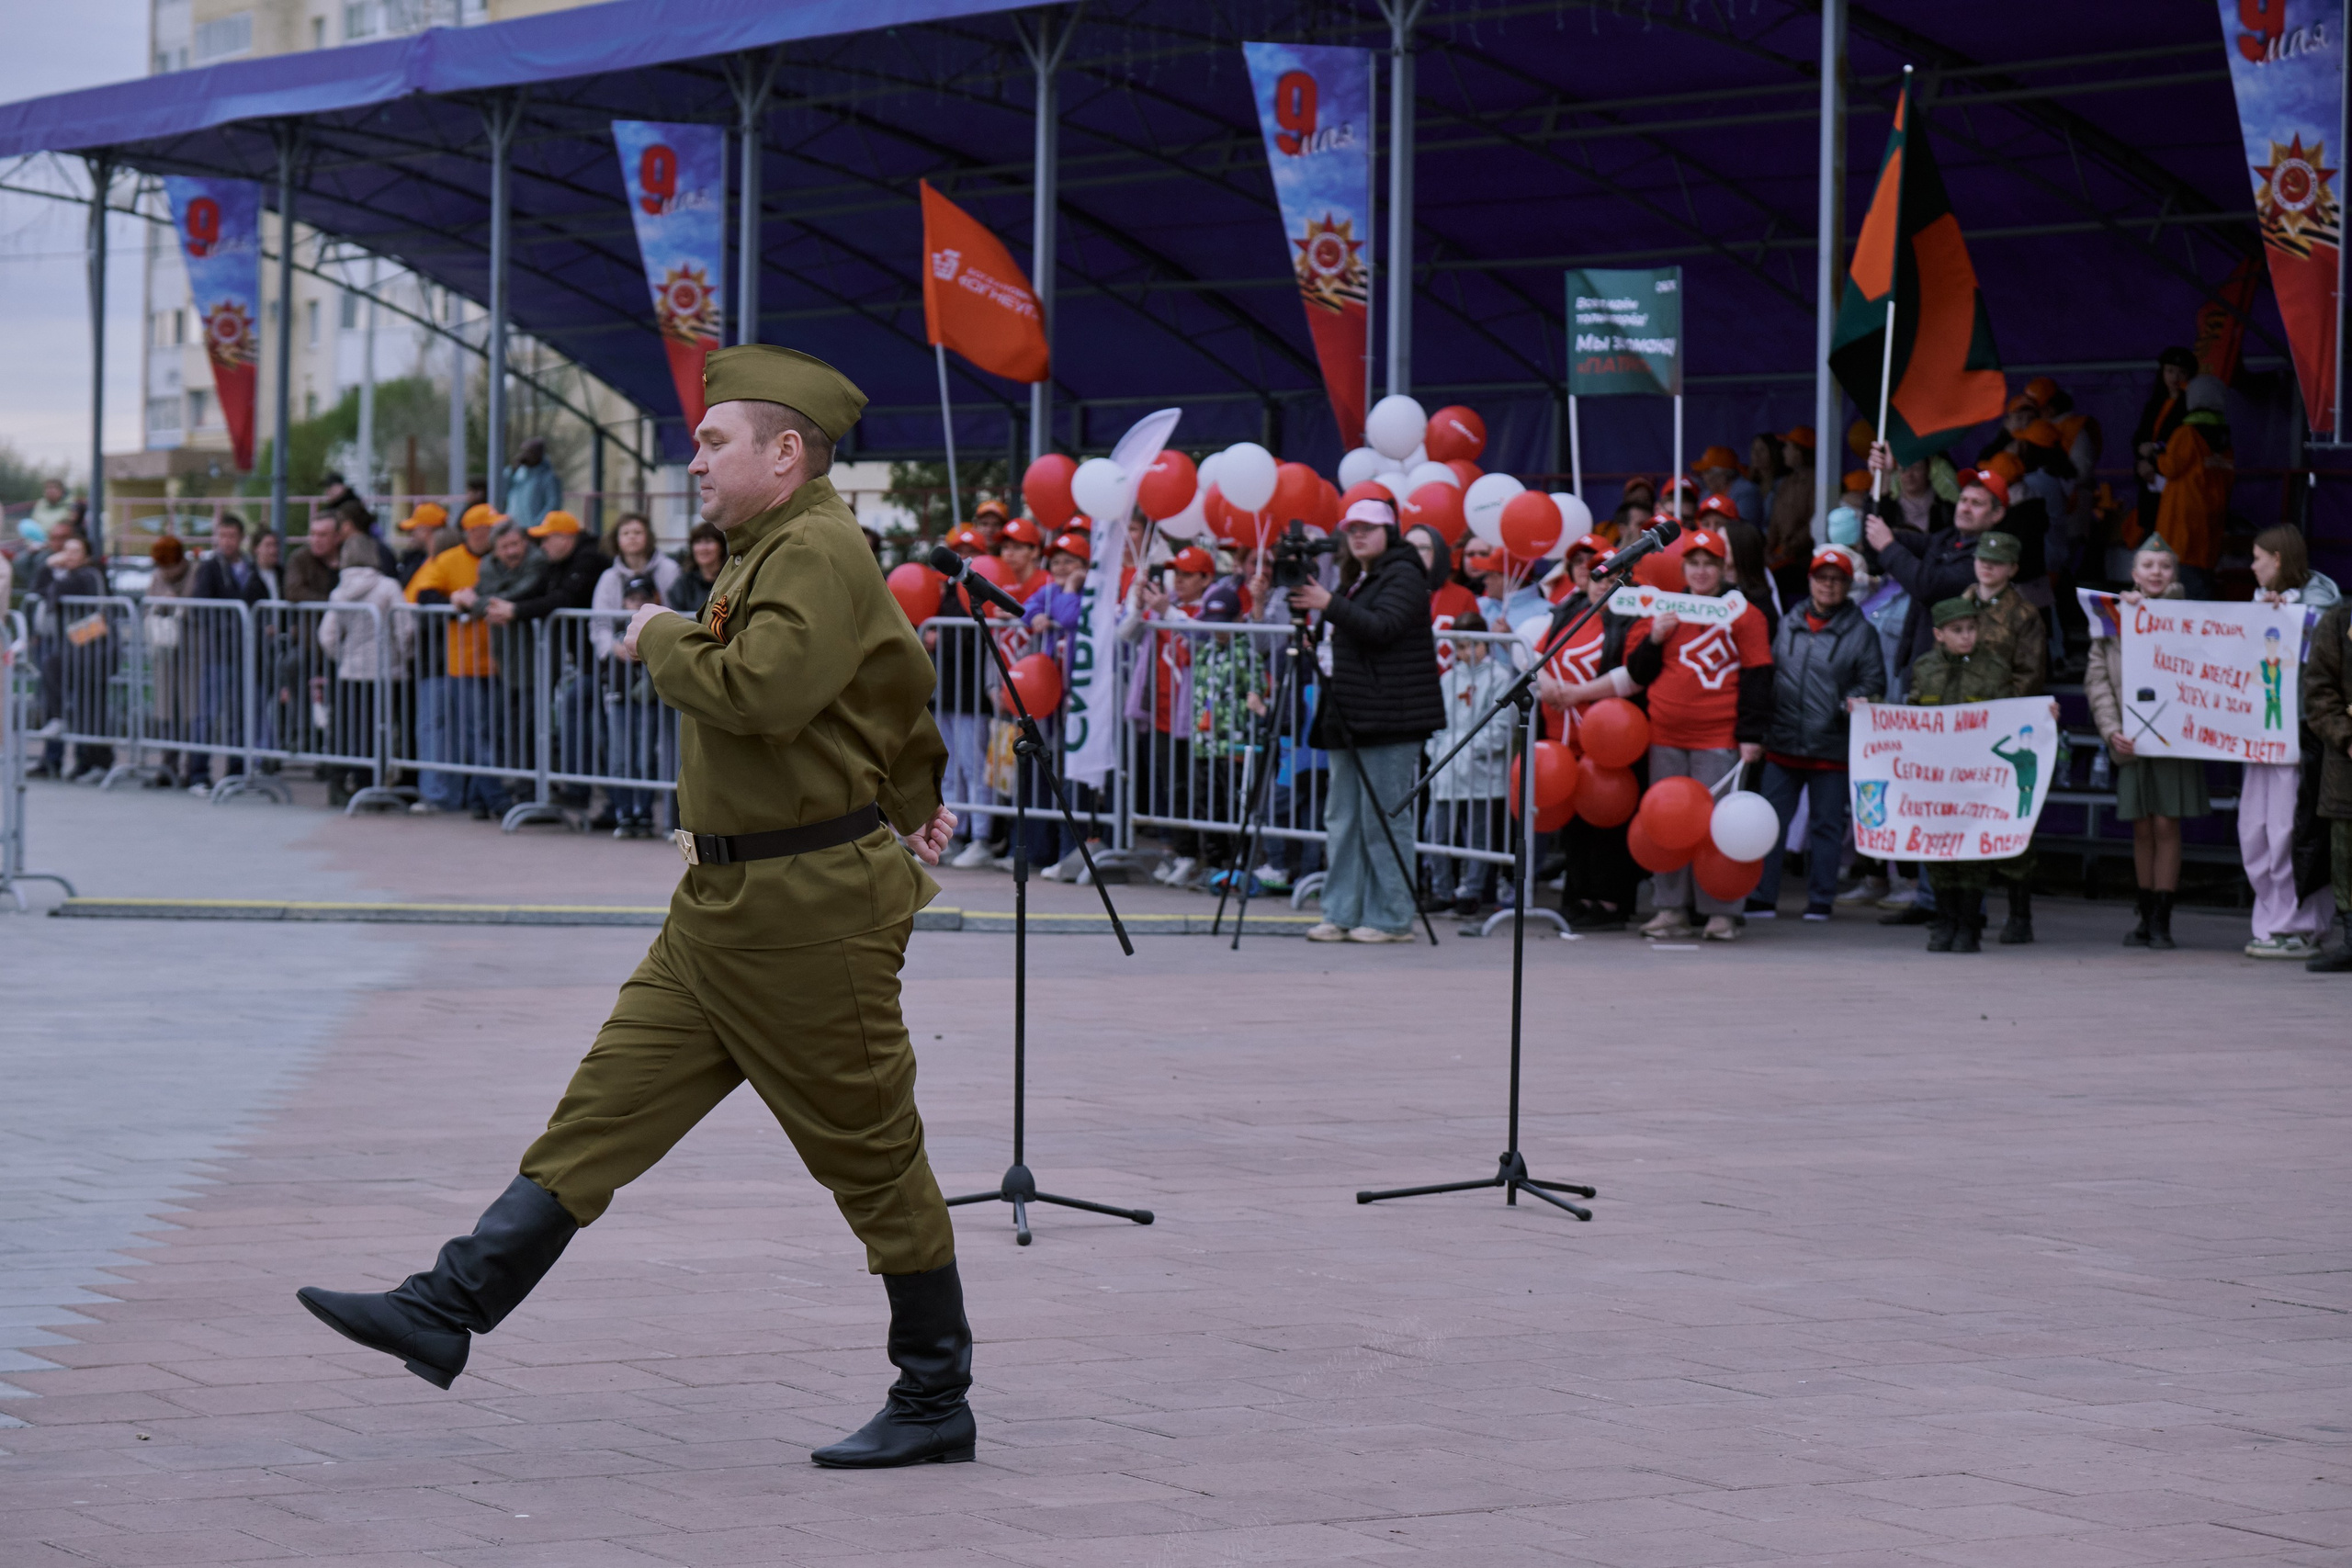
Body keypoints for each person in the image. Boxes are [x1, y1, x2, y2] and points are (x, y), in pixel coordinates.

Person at [296, 344, 973, 1472]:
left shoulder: (813, 545)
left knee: (870, 1155)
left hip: (807, 912)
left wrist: (662, 635)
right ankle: (446, 1306)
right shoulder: (775, 548)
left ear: (786, 451)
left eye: (715, 441)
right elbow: (895, 676)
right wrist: (916, 793)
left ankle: (934, 1392)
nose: (695, 459)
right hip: (725, 901)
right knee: (602, 1110)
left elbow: (762, 691)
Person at [1290, 499, 1443, 942]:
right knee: (1342, 817)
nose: (1357, 535)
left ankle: (1391, 917)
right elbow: (1351, 632)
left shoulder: (1405, 573)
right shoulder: (1358, 578)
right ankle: (1340, 911)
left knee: (1384, 819)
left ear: (1388, 532)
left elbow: (1384, 627)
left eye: (1368, 528)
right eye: (1351, 528)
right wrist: (1317, 617)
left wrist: (1328, 603)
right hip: (1349, 714)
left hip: (1390, 717)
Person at [1621, 526, 1774, 941]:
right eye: (1694, 563)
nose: (1702, 571)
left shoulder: (1745, 614)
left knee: (1718, 828)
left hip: (1719, 736)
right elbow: (1637, 672)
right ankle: (1671, 909)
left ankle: (1721, 911)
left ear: (1724, 567)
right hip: (1666, 734)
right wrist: (1655, 638)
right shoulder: (1665, 610)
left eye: (1710, 564)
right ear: (1683, 567)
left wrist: (1751, 735)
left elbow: (1758, 675)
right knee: (1667, 826)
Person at [2086, 538, 2211, 951]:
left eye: (2165, 566)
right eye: (2148, 565)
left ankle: (2163, 918)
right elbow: (2097, 678)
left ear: (2175, 574)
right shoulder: (2113, 617)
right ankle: (2144, 912)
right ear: (2133, 574)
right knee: (2141, 826)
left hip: (2175, 737)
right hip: (2131, 735)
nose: (2156, 573)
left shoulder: (2192, 616)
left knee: (2165, 823)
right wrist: (2110, 730)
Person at [1755, 546, 1883, 920]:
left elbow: (1874, 682)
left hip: (1831, 745)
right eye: (1822, 578)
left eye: (1837, 579)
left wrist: (1847, 704)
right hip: (1782, 743)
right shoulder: (1789, 621)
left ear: (1847, 586)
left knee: (1826, 827)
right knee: (1769, 824)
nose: (1828, 585)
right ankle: (1762, 897)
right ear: (1810, 581)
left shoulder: (1862, 632)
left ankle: (1821, 900)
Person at [1905, 598, 2038, 953]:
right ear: (1939, 634)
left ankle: (1968, 926)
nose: (1966, 637)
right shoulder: (1925, 667)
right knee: (1938, 851)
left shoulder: (1993, 668)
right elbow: (1913, 711)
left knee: (1971, 854)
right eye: (1957, 631)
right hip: (1937, 778)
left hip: (1977, 778)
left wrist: (2041, 714)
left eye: (1972, 629)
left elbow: (2009, 715)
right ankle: (1944, 922)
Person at [1534, 534, 1645, 931]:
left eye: (1614, 573)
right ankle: (1577, 896)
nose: (1602, 580)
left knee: (1608, 818)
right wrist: (1546, 683)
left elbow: (1633, 673)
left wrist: (1578, 693)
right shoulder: (1571, 610)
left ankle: (1611, 902)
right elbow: (1538, 652)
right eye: (1598, 573)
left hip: (1609, 739)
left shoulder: (1635, 615)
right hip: (1563, 736)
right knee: (1576, 825)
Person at [2242, 525, 2340, 959]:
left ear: (2278, 560)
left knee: (2292, 831)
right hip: (2255, 733)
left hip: (2299, 735)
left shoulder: (2323, 605)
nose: (2252, 566)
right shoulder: (2258, 603)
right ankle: (2270, 920)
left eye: (2258, 557)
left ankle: (2304, 925)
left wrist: (2290, 614)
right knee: (2256, 831)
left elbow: (2321, 647)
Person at [404, 504, 508, 818]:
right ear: (475, 531)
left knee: (490, 732)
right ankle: (494, 797)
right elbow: (421, 596)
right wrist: (454, 603)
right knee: (475, 732)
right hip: (463, 662)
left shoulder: (500, 559)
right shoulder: (449, 560)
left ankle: (478, 798)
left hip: (501, 661)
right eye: (490, 527)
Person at [1125, 544, 1216, 886]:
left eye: (1189, 574)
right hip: (1161, 711)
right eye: (1177, 573)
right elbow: (1125, 633)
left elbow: (1205, 635)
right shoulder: (1165, 607)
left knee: (1191, 787)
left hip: (1193, 715)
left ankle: (1192, 854)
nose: (1180, 580)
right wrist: (1137, 603)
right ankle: (1174, 850)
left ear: (1206, 578)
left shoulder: (1210, 606)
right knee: (1167, 785)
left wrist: (1168, 612)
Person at [314, 533, 415, 807]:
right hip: (386, 670)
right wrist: (405, 657)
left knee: (351, 730)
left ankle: (345, 782)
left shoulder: (339, 591)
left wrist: (343, 657)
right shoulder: (388, 587)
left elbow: (327, 636)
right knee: (382, 729)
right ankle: (373, 785)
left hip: (352, 670)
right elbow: (405, 628)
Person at [1425, 609, 1513, 914]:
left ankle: (1472, 891)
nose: (1466, 652)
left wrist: (1469, 748)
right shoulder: (1448, 678)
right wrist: (1436, 750)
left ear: (1485, 643)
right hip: (1446, 765)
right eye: (1460, 647)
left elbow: (1501, 729)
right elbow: (1434, 722)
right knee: (1435, 831)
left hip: (1479, 766)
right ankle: (1442, 889)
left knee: (1478, 833)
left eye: (1471, 645)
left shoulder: (1500, 677)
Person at [932, 526, 1002, 868]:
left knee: (975, 767)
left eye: (966, 549)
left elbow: (977, 636)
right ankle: (955, 836)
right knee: (950, 771)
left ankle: (981, 837)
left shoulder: (981, 588)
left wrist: (940, 638)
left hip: (972, 693)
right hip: (944, 692)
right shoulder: (942, 591)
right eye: (954, 549)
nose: (958, 556)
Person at [184, 515, 269, 795]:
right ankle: (197, 773)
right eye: (222, 536)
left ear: (241, 537)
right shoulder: (210, 568)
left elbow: (262, 602)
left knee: (240, 715)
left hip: (245, 654)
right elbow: (201, 606)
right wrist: (234, 623)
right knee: (207, 714)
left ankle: (236, 771)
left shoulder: (251, 567)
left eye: (232, 536)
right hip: (218, 653)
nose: (226, 542)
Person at [30, 534, 114, 781]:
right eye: (66, 551)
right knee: (85, 704)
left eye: (75, 552)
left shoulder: (88, 575)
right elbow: (39, 590)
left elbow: (53, 592)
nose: (68, 556)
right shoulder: (75, 575)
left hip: (96, 648)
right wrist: (48, 569)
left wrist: (49, 567)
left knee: (92, 705)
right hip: (79, 648)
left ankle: (97, 762)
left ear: (85, 556)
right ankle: (86, 762)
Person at [2303, 586, 2352, 972]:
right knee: (2345, 854)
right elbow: (2318, 691)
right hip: (2346, 766)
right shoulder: (2337, 623)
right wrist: (2346, 737)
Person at [2151, 374, 2233, 595]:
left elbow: (2169, 467)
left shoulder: (2186, 434)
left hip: (2182, 524)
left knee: (2184, 586)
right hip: (2210, 524)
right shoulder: (2225, 440)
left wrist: (2157, 456)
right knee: (2203, 578)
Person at [2131, 346, 2198, 547]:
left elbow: (2185, 445)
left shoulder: (2191, 406)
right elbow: (2138, 437)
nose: (2175, 377)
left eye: (2181, 372)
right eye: (2170, 371)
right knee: (2151, 532)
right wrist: (2143, 459)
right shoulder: (2155, 403)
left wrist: (2156, 452)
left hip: (2173, 478)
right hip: (2149, 477)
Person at [1763, 426, 1816, 604]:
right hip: (1781, 557)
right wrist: (1768, 549)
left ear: (1800, 452)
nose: (1783, 452)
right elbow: (1774, 522)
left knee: (1778, 579)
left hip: (1802, 560)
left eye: (1788, 447)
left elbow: (1814, 522)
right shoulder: (1786, 482)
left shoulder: (1816, 482)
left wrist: (1789, 550)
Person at [667, 521, 727, 616]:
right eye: (698, 542)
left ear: (721, 547)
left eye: (709, 541)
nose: (703, 548)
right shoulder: (683, 585)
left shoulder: (731, 579)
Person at [285, 513, 345, 605]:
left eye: (322, 535)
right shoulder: (300, 558)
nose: (316, 540)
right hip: (312, 618)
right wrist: (331, 603)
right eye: (313, 534)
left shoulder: (347, 557)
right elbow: (294, 592)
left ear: (337, 537)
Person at [503, 436, 561, 532]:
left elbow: (553, 504)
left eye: (530, 452)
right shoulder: (519, 472)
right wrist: (512, 470)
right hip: (514, 527)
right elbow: (501, 491)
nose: (526, 455)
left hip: (534, 529)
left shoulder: (548, 477)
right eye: (524, 452)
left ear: (539, 454)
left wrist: (537, 524)